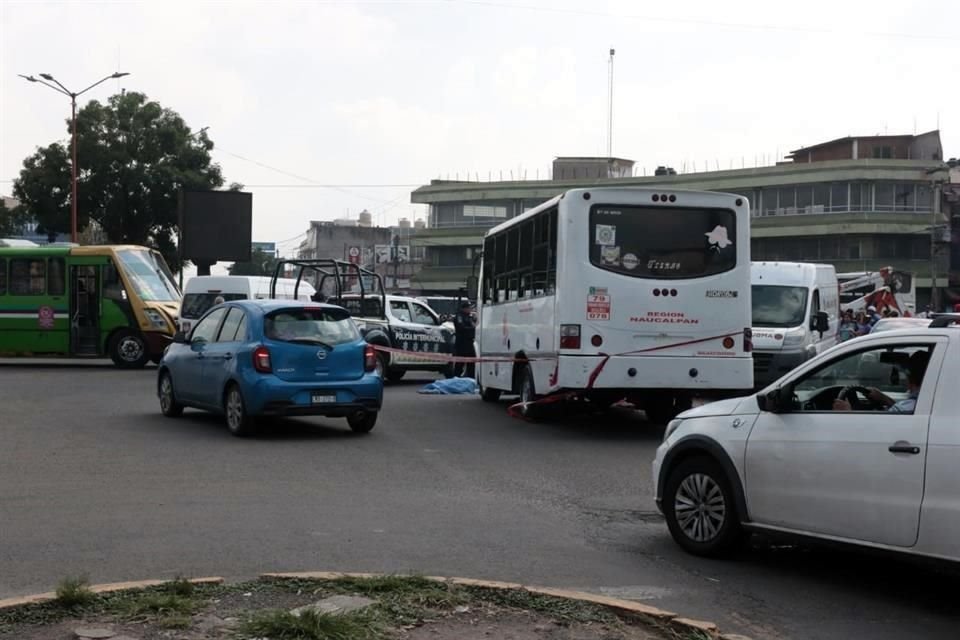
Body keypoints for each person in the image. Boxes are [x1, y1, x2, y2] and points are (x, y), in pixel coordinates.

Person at [833, 350, 929, 414]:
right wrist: (884, 398)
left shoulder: (906, 408)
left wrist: (847, 413)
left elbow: (876, 430)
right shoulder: (922, 402)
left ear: (909, 377)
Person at [452, 300, 477, 378]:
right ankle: (456, 378)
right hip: (462, 343)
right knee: (460, 363)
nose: (470, 309)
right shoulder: (459, 316)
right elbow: (461, 328)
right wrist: (472, 329)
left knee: (471, 362)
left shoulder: (469, 317)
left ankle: (471, 378)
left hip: (469, 343)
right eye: (468, 308)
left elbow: (474, 325)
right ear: (464, 308)